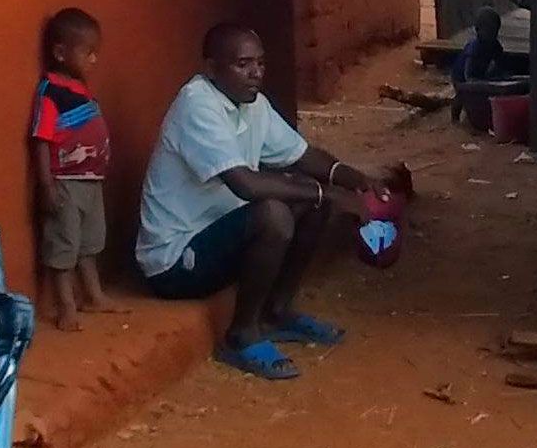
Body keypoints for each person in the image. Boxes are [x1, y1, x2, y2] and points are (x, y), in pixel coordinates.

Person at [136, 23, 383, 380]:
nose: (255, 74)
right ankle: (241, 336)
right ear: (211, 68)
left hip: (219, 237)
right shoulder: (197, 105)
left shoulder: (252, 104)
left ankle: (277, 311)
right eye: (242, 64)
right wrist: (324, 191)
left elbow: (300, 155)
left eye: (260, 64)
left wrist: (359, 180)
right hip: (175, 263)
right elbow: (245, 185)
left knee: (308, 200)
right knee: (273, 213)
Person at [30, 8, 116, 331]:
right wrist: (47, 185)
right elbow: (41, 139)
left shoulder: (81, 89)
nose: (94, 60)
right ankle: (65, 305)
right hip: (64, 181)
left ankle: (93, 295)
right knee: (64, 244)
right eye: (88, 52)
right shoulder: (50, 91)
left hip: (91, 181)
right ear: (61, 53)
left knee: (89, 243)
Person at [450, 6, 506, 123]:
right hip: (460, 75)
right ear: (478, 30)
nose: (492, 34)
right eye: (489, 31)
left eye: (494, 31)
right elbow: (468, 68)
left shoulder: (495, 45)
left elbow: (500, 60)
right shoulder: (475, 46)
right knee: (462, 95)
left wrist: (499, 74)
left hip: (480, 72)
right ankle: (455, 118)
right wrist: (470, 81)